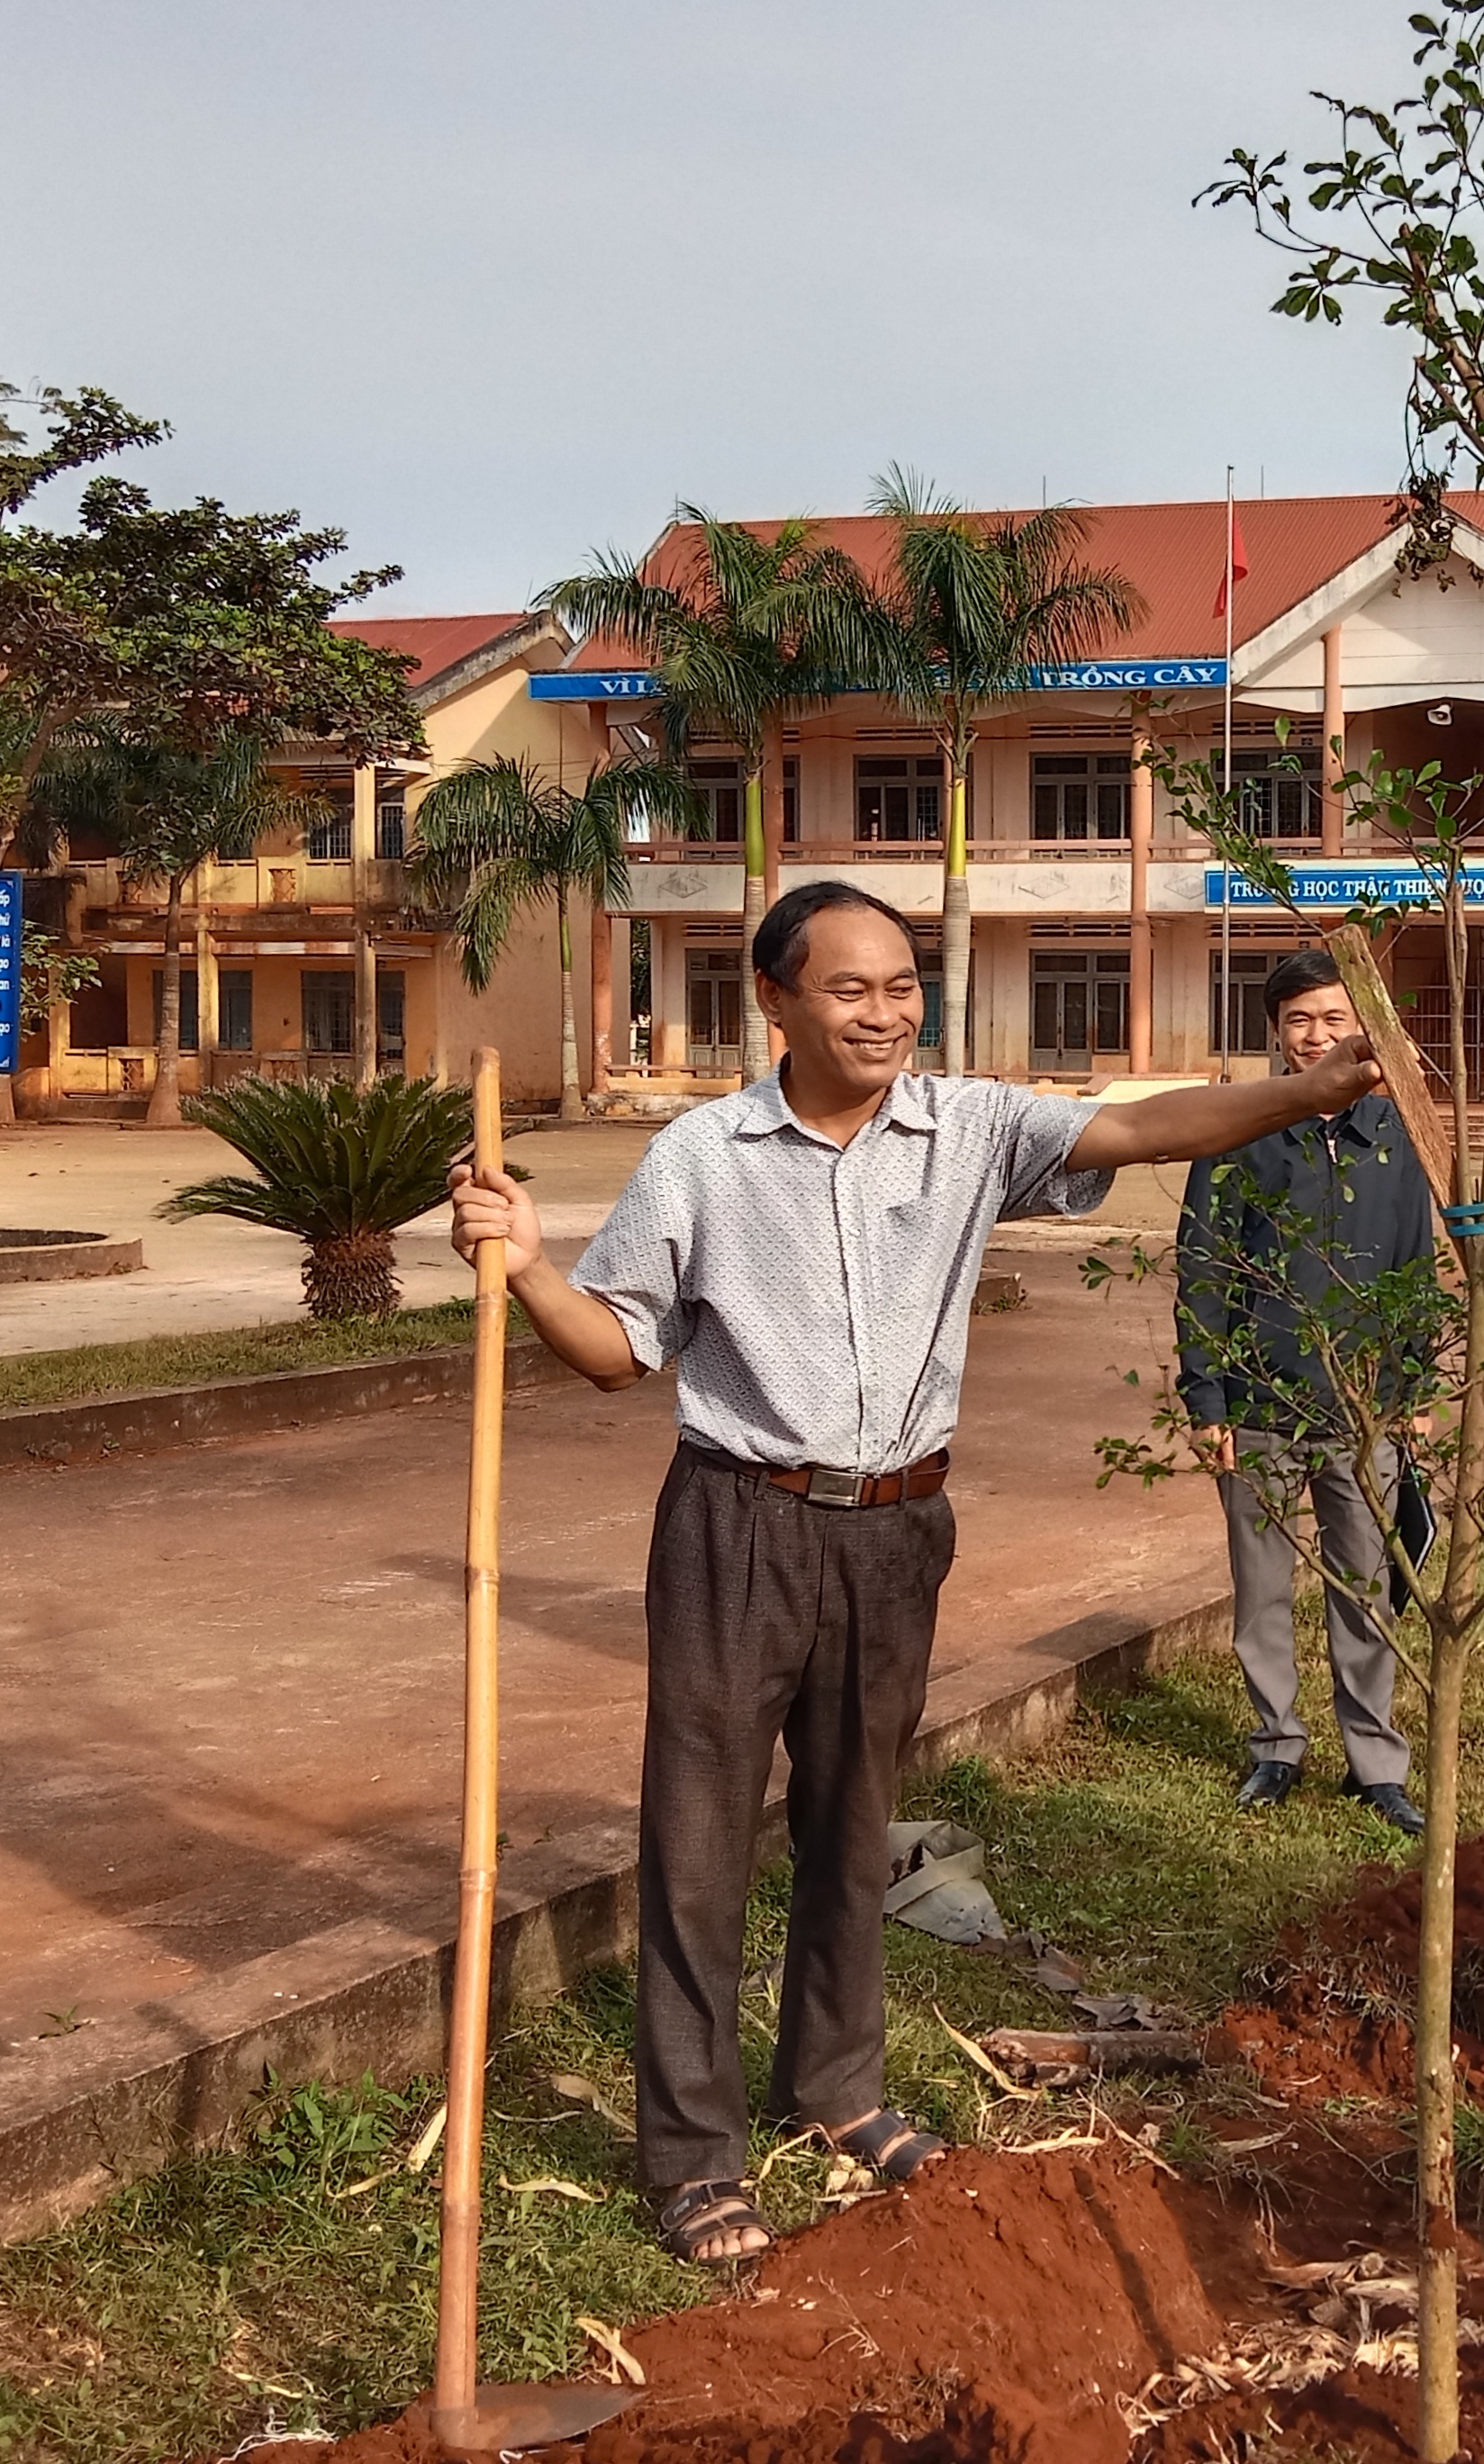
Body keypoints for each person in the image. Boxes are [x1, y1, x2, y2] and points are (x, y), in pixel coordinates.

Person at [444, 879, 1384, 2267]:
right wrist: (527, 1269)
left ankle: (835, 2087)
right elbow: (614, 1352)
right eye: (850, 988)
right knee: (700, 1841)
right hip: (739, 1525)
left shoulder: (971, 1127)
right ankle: (694, 2156)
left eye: (902, 986)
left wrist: (1303, 1093)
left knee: (854, 1822)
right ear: (776, 1000)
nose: (886, 1013)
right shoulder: (702, 1157)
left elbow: (1144, 1126)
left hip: (898, 1531)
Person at [1177, 944, 1431, 1834]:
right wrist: (1207, 1402)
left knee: (1367, 1587)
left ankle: (1376, 1764)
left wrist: (1414, 1388)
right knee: (1262, 1593)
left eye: (1333, 1018)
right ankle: (1276, 1746)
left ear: (1363, 1026)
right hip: (1259, 1410)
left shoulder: (1394, 1134)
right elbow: (1204, 1269)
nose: (1316, 1036)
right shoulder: (1240, 1132)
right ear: (1275, 1032)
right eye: (1298, 1021)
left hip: (1365, 1414)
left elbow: (1414, 1267)